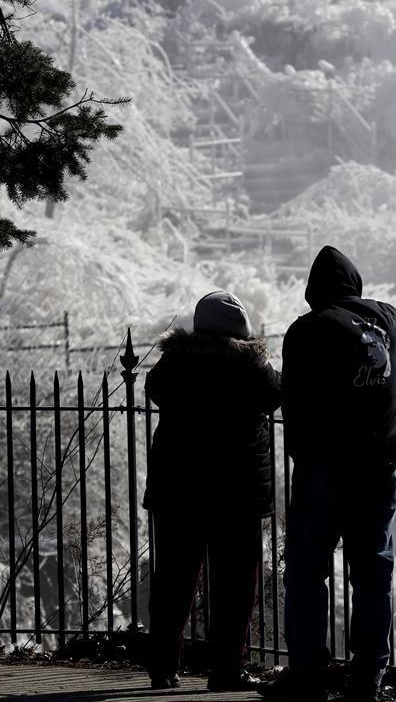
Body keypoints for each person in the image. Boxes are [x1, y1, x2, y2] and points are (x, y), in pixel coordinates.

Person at [261, 246, 396, 702]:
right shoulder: (387, 320)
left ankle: (308, 674)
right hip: (378, 468)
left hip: (322, 468)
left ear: (314, 292)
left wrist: (300, 448)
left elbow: (291, 395)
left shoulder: (307, 330)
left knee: (307, 571)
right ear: (355, 285)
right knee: (373, 570)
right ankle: (368, 677)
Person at [143, 290, 282, 692]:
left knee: (173, 580)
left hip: (178, 489)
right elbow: (278, 393)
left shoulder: (176, 363)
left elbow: (155, 386)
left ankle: (163, 666)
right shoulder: (252, 369)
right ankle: (226, 670)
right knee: (236, 586)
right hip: (236, 493)